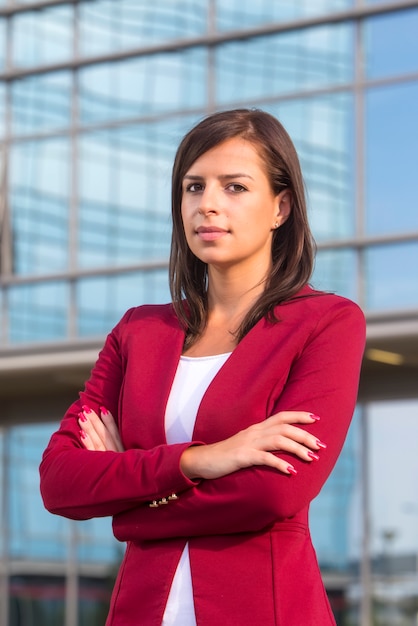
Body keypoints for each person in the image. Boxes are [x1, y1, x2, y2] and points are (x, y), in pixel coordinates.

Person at [40, 108, 366, 625]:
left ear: (281, 207)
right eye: (194, 187)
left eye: (234, 187)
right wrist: (203, 460)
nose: (207, 205)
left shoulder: (327, 323)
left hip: (266, 610)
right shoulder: (138, 332)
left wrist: (131, 505)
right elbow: (60, 480)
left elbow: (272, 492)